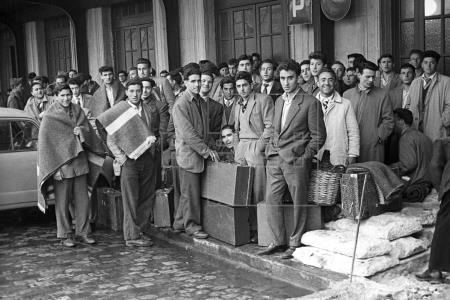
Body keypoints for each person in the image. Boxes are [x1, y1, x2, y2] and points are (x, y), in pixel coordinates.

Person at [259, 60, 326, 259]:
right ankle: (278, 240)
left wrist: (304, 157)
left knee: (299, 202)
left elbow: (319, 136)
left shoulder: (310, 102)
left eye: (290, 78)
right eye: (282, 79)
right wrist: (270, 150)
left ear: (298, 78)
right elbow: (274, 130)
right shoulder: (278, 100)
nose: (286, 82)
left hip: (296, 160)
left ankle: (295, 243)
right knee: (272, 199)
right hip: (275, 159)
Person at [38, 84, 105, 247]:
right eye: (62, 95)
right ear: (55, 96)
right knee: (62, 203)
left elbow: (89, 132)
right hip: (62, 166)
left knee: (83, 201)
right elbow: (46, 145)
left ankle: (83, 232)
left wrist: (81, 130)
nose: (66, 98)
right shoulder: (49, 116)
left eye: (68, 94)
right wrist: (54, 169)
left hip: (80, 163)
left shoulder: (78, 110)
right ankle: (65, 235)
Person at [97, 79, 160, 247]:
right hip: (129, 161)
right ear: (126, 92)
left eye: (138, 90)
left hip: (147, 158)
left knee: (146, 197)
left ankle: (140, 231)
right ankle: (131, 236)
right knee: (131, 199)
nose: (135, 94)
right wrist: (121, 158)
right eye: (131, 91)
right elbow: (111, 140)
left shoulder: (148, 109)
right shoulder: (119, 111)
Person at [172, 66, 219, 239]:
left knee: (188, 192)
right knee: (190, 194)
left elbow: (204, 129)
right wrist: (207, 151)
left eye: (199, 80)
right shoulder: (181, 104)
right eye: (193, 81)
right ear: (185, 83)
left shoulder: (199, 101)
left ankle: (178, 223)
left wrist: (209, 147)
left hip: (197, 153)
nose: (198, 84)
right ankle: (192, 226)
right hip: (189, 155)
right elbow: (189, 134)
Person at [234, 71, 274, 243]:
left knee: (258, 190)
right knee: (243, 190)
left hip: (255, 147)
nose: (242, 89)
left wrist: (258, 147)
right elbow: (235, 128)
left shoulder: (263, 99)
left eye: (245, 85)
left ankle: (261, 229)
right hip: (241, 148)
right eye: (238, 86)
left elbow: (270, 127)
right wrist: (236, 147)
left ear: (252, 85)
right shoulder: (238, 104)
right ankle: (246, 228)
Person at [343, 61, 394, 162]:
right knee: (351, 175)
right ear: (358, 75)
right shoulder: (347, 95)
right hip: (350, 145)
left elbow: (389, 120)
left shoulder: (382, 94)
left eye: (373, 77)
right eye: (367, 77)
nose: (371, 80)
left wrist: (378, 136)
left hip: (373, 146)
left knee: (373, 173)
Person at [416, 137, 450, 282]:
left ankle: (435, 269)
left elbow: (435, 166)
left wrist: (441, 190)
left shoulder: (443, 141)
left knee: (443, 226)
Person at [316, 68, 359, 166]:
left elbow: (353, 132)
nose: (326, 83)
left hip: (338, 153)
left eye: (330, 80)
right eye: (323, 80)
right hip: (316, 155)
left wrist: (352, 154)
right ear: (317, 82)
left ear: (335, 82)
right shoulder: (310, 103)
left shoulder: (345, 104)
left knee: (337, 180)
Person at [390, 109, 433, 201]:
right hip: (428, 182)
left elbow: (408, 164)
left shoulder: (406, 138)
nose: (392, 125)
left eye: (393, 121)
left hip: (416, 184)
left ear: (401, 121)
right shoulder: (424, 137)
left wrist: (389, 169)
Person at [408, 50, 450, 141]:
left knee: (435, 153)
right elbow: (408, 103)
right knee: (419, 153)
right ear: (422, 64)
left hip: (436, 127)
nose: (428, 65)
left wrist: (443, 121)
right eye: (425, 62)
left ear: (436, 64)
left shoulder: (446, 81)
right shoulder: (415, 82)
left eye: (432, 62)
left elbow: (449, 105)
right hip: (416, 126)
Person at [141, 77, 170, 189]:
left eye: (147, 88)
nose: (144, 91)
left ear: (152, 89)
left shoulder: (160, 106)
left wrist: (156, 146)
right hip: (135, 150)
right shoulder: (132, 104)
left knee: (153, 183)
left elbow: (164, 131)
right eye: (142, 87)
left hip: (153, 150)